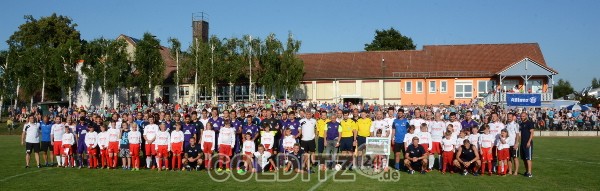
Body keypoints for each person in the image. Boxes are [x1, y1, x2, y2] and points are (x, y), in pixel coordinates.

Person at [520, 112, 534, 178]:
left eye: (523, 116)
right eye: (521, 116)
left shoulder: (530, 123)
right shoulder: (521, 124)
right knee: (524, 158)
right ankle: (526, 171)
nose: (522, 117)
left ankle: (530, 172)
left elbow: (532, 133)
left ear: (526, 116)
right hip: (522, 143)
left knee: (528, 158)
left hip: (528, 143)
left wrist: (529, 142)